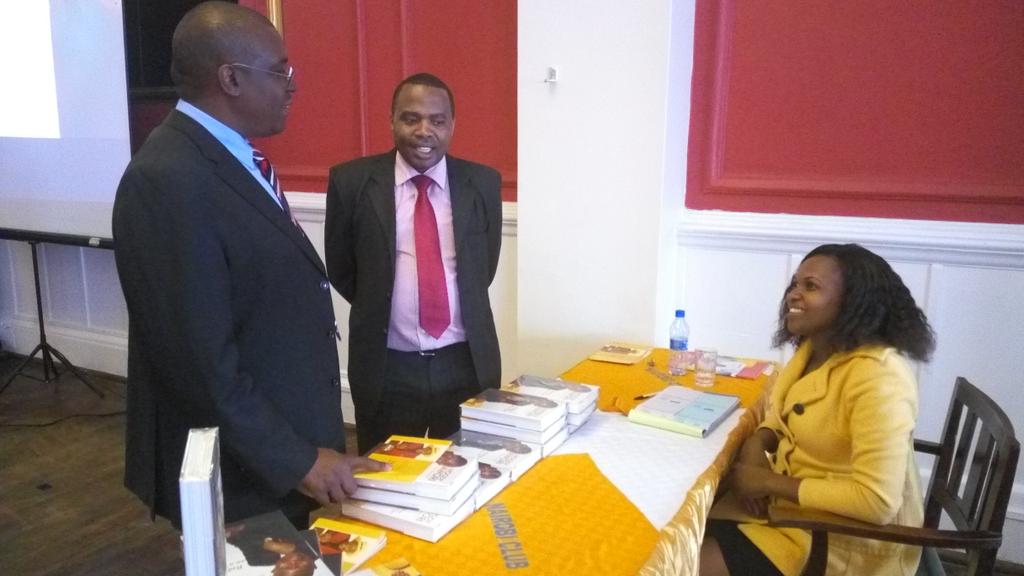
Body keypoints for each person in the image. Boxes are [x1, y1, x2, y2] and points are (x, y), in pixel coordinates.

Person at [112, 1, 385, 530]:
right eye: (281, 70)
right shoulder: (166, 180)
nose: (292, 85)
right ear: (231, 79)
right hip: (245, 476)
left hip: (282, 449)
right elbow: (198, 365)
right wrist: (298, 461)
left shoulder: (232, 157)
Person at [700, 243, 936, 575]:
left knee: (677, 561)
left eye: (810, 287)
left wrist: (767, 483)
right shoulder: (815, 348)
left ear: (852, 301)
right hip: (791, 515)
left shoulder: (879, 376)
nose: (793, 295)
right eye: (795, 285)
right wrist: (756, 445)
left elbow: (877, 502)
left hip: (839, 542)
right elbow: (779, 418)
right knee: (676, 527)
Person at [325, 73, 503, 453]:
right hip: (387, 368)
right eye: (411, 118)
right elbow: (341, 268)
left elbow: (483, 269)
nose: (424, 131)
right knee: (386, 480)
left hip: (465, 363)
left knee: (468, 473)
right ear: (392, 120)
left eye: (437, 121)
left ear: (452, 125)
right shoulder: (351, 182)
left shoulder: (483, 183)